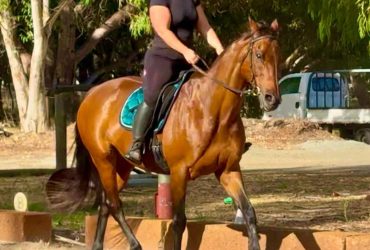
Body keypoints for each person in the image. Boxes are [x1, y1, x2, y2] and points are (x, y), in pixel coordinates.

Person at [125, 0, 224, 165]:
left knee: (212, 91)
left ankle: (223, 138)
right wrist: (185, 50)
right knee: (153, 95)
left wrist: (221, 50)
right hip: (163, 56)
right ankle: (137, 144)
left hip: (188, 59)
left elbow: (205, 28)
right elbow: (162, 30)